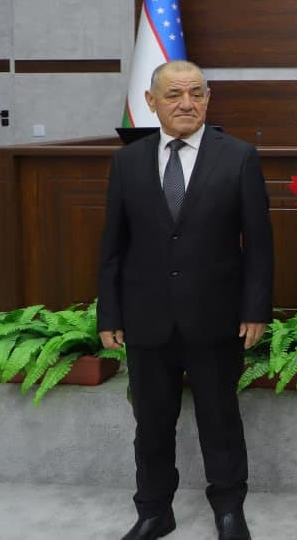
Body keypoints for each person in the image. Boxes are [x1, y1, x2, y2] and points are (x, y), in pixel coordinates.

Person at [97, 60, 274, 540]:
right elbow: (113, 245)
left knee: (220, 418)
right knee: (151, 423)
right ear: (151, 102)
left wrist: (255, 309)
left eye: (196, 93)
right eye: (174, 94)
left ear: (208, 99)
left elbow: (258, 243)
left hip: (216, 318)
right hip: (146, 318)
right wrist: (108, 312)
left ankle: (229, 509)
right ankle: (155, 510)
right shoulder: (128, 162)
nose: (186, 104)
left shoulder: (237, 156)